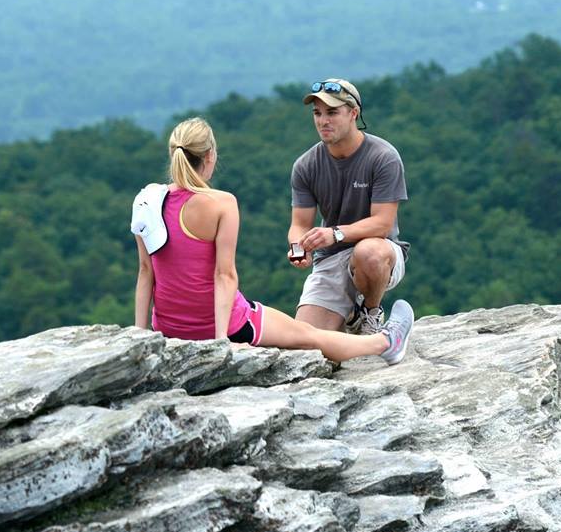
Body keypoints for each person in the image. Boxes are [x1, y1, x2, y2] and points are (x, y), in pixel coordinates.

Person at [131, 117, 413, 365]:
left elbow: (146, 272)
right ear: (210, 156)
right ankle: (387, 343)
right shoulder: (221, 203)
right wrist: (220, 343)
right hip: (228, 325)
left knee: (304, 339)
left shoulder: (146, 200)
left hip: (169, 329)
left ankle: (367, 322)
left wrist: (142, 338)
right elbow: (224, 275)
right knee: (308, 337)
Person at [289, 78, 410, 335]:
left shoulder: (383, 157)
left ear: (354, 113)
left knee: (368, 253)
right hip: (330, 258)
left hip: (380, 250)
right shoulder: (306, 165)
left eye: (332, 112)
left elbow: (382, 223)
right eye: (317, 113)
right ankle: (347, 320)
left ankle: (370, 314)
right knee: (305, 345)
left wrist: (334, 233)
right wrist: (299, 248)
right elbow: (299, 224)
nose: (323, 121)